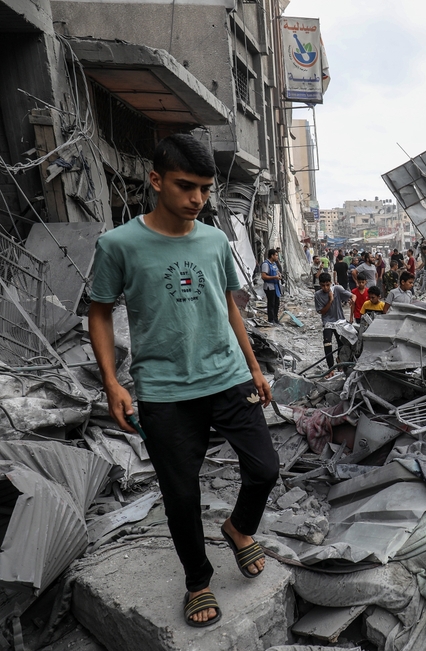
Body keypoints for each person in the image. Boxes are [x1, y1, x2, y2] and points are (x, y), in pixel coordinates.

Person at [88, 133, 278, 628]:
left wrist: (254, 367)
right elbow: (100, 313)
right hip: (165, 391)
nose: (197, 199)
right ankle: (198, 581)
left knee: (265, 469)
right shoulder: (119, 244)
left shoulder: (215, 240)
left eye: (206, 189)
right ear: (156, 180)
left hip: (228, 377)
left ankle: (239, 529)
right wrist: (113, 382)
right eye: (186, 186)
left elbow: (230, 309)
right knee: (181, 494)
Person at [315, 271, 354, 371]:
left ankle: (340, 362)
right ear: (320, 285)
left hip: (339, 321)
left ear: (331, 283)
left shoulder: (337, 289)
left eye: (327, 285)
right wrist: (331, 300)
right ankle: (331, 368)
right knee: (327, 343)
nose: (326, 288)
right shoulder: (318, 295)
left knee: (341, 343)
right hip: (328, 322)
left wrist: (353, 300)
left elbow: (351, 296)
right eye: (323, 285)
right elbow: (322, 312)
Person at [260, 248, 282, 323]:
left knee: (276, 303)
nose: (277, 257)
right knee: (271, 303)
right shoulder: (266, 264)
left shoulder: (274, 263)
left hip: (276, 286)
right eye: (276, 255)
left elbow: (277, 271)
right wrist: (274, 277)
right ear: (272, 256)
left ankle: (276, 319)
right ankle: (271, 319)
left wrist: (279, 274)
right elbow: (263, 276)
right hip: (269, 286)